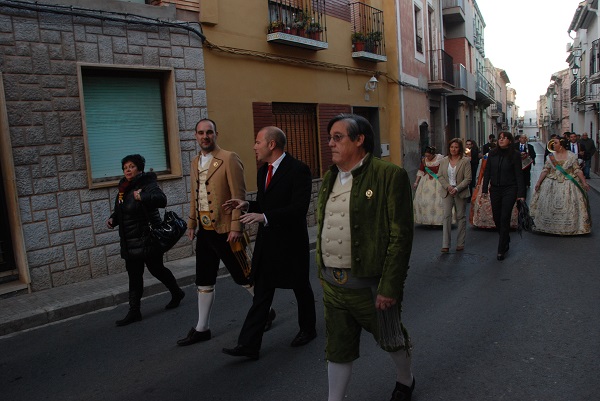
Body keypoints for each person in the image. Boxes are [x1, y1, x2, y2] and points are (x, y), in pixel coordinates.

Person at [317, 114, 414, 401]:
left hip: (371, 286)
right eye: (330, 137)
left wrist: (389, 286)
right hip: (334, 285)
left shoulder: (389, 176)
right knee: (337, 347)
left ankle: (405, 379)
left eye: (338, 137)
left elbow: (401, 236)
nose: (330, 143)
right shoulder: (329, 177)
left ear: (359, 140)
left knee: (391, 338)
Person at [222, 126, 317, 360]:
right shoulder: (263, 171)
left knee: (300, 287)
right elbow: (266, 205)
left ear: (271, 144)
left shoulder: (299, 170)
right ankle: (249, 344)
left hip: (290, 244)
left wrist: (264, 217)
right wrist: (247, 205)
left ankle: (308, 329)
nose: (254, 146)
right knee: (262, 293)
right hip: (268, 244)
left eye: (257, 142)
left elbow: (298, 209)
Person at [176, 118, 264, 347]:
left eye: (209, 132)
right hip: (205, 231)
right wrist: (192, 223)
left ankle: (266, 310)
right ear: (195, 135)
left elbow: (240, 195)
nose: (205, 136)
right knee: (204, 279)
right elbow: (195, 195)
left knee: (244, 274)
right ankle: (202, 327)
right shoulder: (195, 162)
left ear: (216, 134)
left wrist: (237, 227)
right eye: (200, 133)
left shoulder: (228, 158)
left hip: (226, 230)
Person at [107, 154, 185, 326]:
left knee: (156, 269)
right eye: (125, 167)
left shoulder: (147, 184)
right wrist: (114, 219)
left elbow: (161, 200)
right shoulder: (123, 188)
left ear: (139, 168)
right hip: (129, 240)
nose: (128, 169)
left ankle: (176, 292)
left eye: (131, 166)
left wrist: (142, 197)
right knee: (134, 276)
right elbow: (121, 210)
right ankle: (134, 311)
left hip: (147, 238)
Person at [530, 137, 591, 235]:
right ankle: (548, 227)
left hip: (569, 183)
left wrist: (584, 182)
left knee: (570, 204)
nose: (553, 144)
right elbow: (545, 170)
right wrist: (538, 182)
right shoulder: (550, 156)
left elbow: (577, 170)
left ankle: (570, 227)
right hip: (551, 182)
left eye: (556, 143)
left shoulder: (571, 156)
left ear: (561, 145)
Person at [482, 132, 525, 261]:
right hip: (495, 189)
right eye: (499, 138)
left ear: (510, 141)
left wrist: (521, 194)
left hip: (510, 189)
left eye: (504, 138)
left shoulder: (515, 155)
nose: (501, 140)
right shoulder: (492, 154)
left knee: (505, 216)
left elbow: (519, 175)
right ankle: (505, 237)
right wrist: (484, 189)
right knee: (496, 217)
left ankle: (501, 249)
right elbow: (487, 171)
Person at [437, 138, 471, 253]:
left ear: (460, 148)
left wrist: (457, 188)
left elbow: (468, 178)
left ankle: (460, 243)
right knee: (446, 216)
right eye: (452, 147)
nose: (453, 149)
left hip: (460, 192)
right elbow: (440, 176)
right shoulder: (444, 161)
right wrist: (448, 187)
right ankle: (445, 244)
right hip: (447, 191)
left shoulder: (465, 161)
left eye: (456, 147)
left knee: (461, 217)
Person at [412, 146, 445, 226]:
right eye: (426, 155)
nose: (427, 157)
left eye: (429, 156)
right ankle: (427, 220)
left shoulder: (440, 159)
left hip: (437, 181)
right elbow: (420, 171)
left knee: (437, 202)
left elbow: (444, 169)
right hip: (426, 181)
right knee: (425, 201)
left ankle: (438, 221)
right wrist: (416, 182)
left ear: (433, 154)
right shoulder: (424, 161)